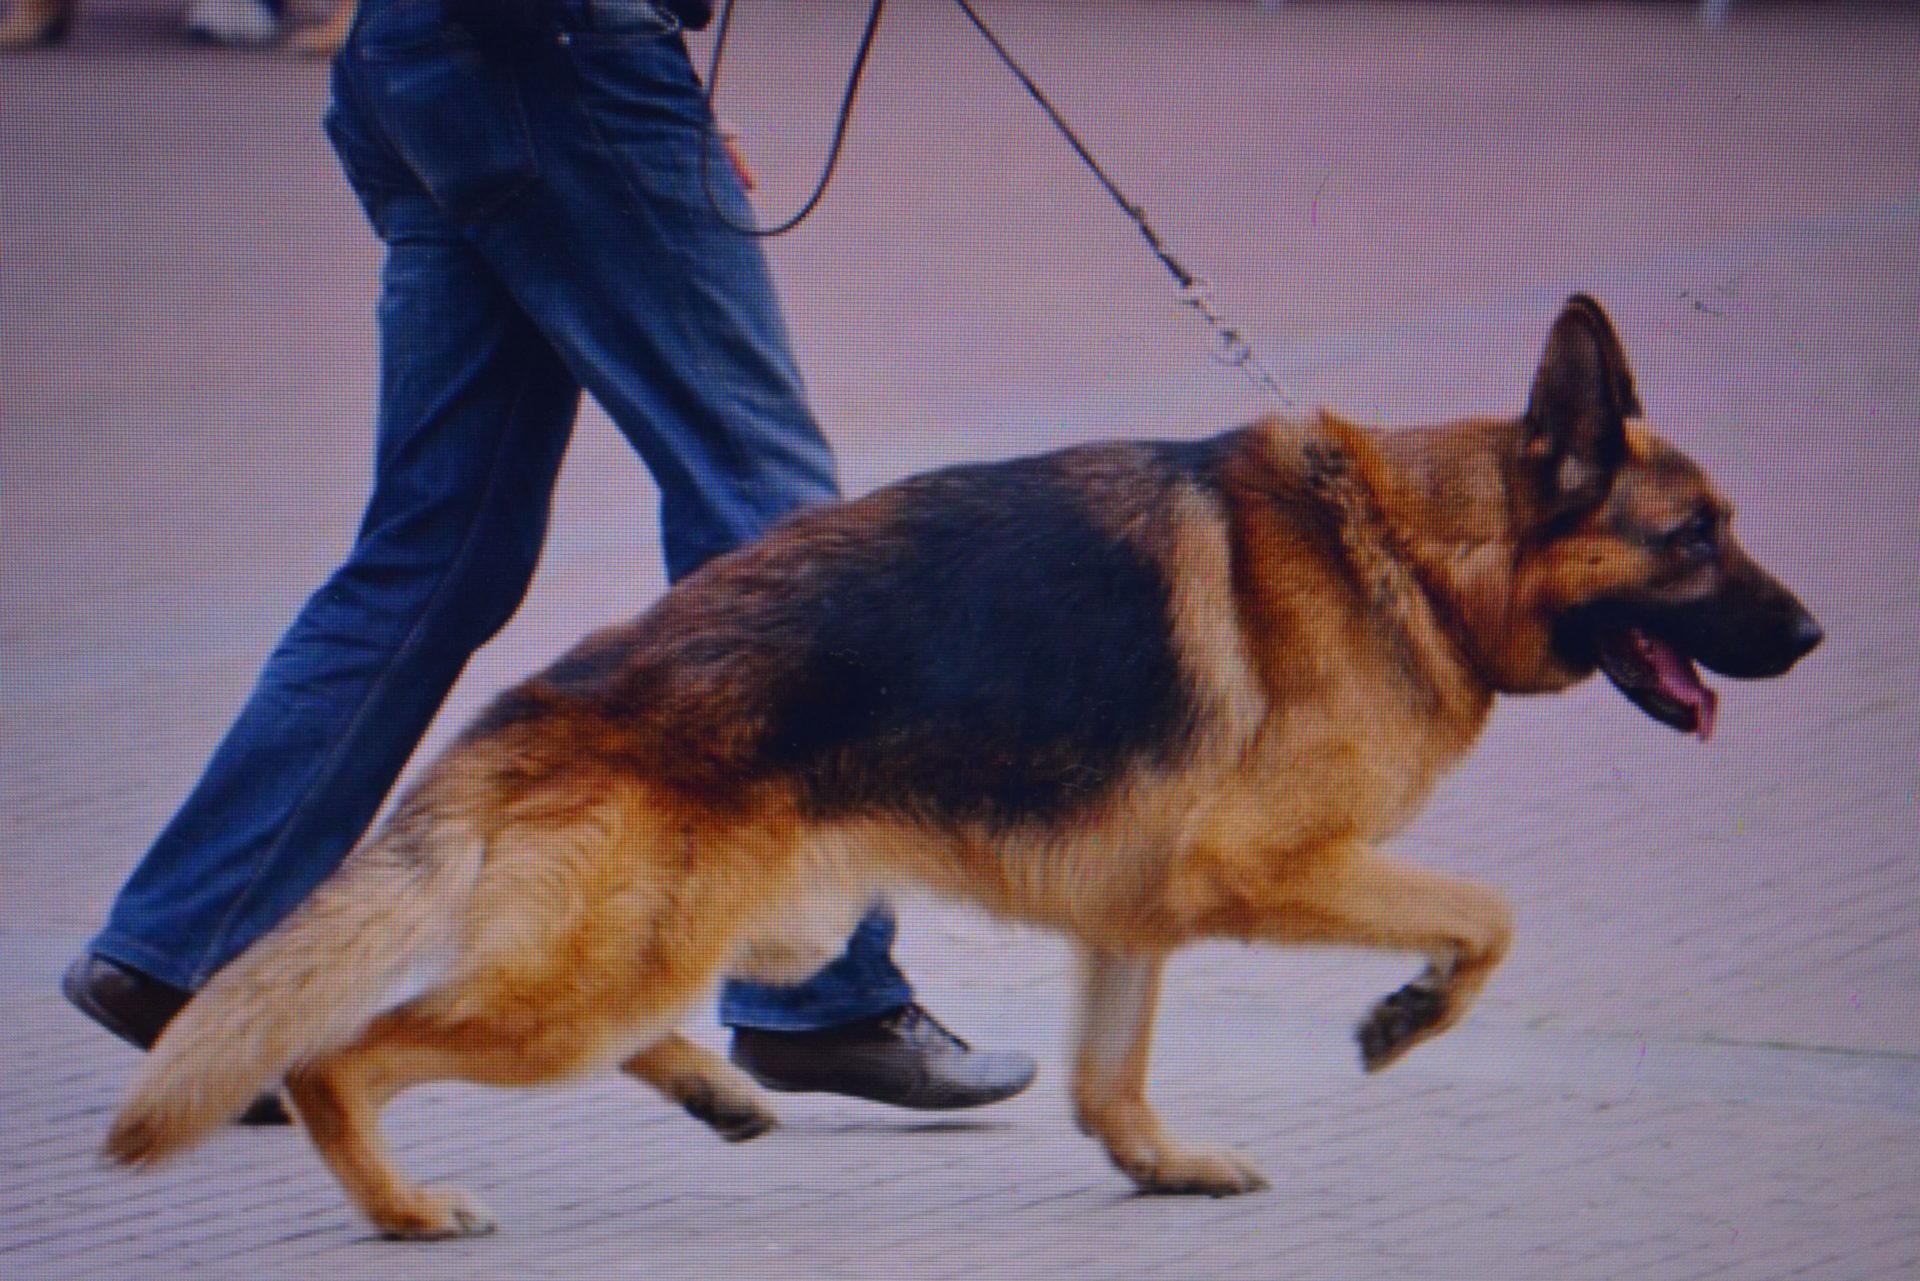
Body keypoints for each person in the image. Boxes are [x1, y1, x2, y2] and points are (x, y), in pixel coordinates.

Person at [63, 0, 1035, 1124]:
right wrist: (612, 107)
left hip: (420, 62)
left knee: (438, 554)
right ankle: (822, 994)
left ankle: (184, 951)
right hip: (562, 56)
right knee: (772, 520)